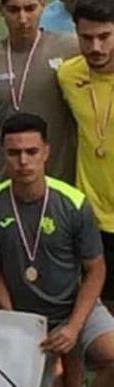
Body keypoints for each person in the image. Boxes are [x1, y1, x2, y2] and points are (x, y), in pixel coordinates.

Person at [0, 113, 114, 387]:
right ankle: (61, 380)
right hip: (27, 321)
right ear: (3, 154)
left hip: (74, 308)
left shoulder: (72, 202)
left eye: (31, 151)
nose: (23, 161)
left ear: (46, 152)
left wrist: (73, 327)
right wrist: (13, 317)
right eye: (14, 153)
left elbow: (96, 270)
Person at [0, 0, 78, 237]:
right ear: (0, 10)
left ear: (43, 6)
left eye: (30, 8)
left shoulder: (71, 50)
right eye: (14, 10)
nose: (23, 19)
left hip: (58, 190)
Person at [58, 0, 114, 304]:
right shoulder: (68, 75)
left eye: (105, 36)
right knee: (95, 308)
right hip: (89, 218)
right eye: (86, 38)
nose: (96, 47)